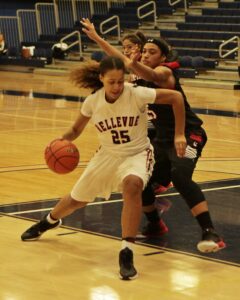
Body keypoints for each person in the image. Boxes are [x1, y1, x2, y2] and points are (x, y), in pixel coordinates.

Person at [21, 56, 186, 280]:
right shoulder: (93, 101)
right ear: (101, 79)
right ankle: (48, 221)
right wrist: (61, 140)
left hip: (137, 153)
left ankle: (126, 251)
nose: (117, 86)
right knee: (76, 200)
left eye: (120, 81)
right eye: (112, 82)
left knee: (133, 185)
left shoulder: (136, 93)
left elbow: (176, 97)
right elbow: (76, 129)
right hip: (107, 155)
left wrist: (179, 133)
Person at [80, 18, 226, 253]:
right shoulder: (136, 77)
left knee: (180, 176)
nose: (146, 55)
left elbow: (139, 68)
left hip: (188, 134)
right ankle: (155, 224)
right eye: (144, 51)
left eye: (152, 52)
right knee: (140, 180)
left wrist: (180, 134)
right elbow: (121, 62)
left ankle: (210, 232)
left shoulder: (165, 73)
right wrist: (97, 38)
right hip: (162, 139)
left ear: (162, 58)